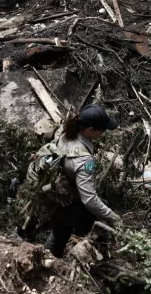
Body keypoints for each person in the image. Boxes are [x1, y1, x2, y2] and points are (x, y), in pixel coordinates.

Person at [43, 105, 121, 258]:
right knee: (100, 228)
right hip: (70, 204)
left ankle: (46, 259)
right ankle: (97, 263)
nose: (104, 133)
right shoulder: (85, 161)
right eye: (102, 130)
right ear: (90, 130)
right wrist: (114, 218)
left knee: (59, 234)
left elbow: (52, 157)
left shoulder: (65, 133)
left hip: (55, 196)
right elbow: (90, 199)